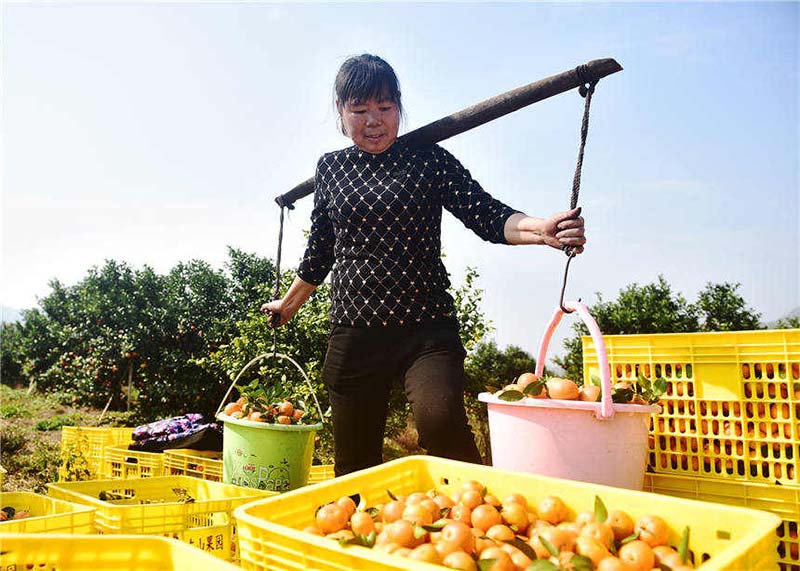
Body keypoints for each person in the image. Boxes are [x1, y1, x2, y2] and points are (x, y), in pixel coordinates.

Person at [262, 54, 586, 477]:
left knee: (441, 424)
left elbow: (485, 214)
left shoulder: (427, 160)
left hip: (425, 328)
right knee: (354, 464)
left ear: (399, 107)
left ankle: (481, 525)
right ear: (340, 113)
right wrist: (287, 305)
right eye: (359, 110)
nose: (373, 120)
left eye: (385, 108)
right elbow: (321, 252)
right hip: (355, 332)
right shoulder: (331, 169)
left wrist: (541, 228)